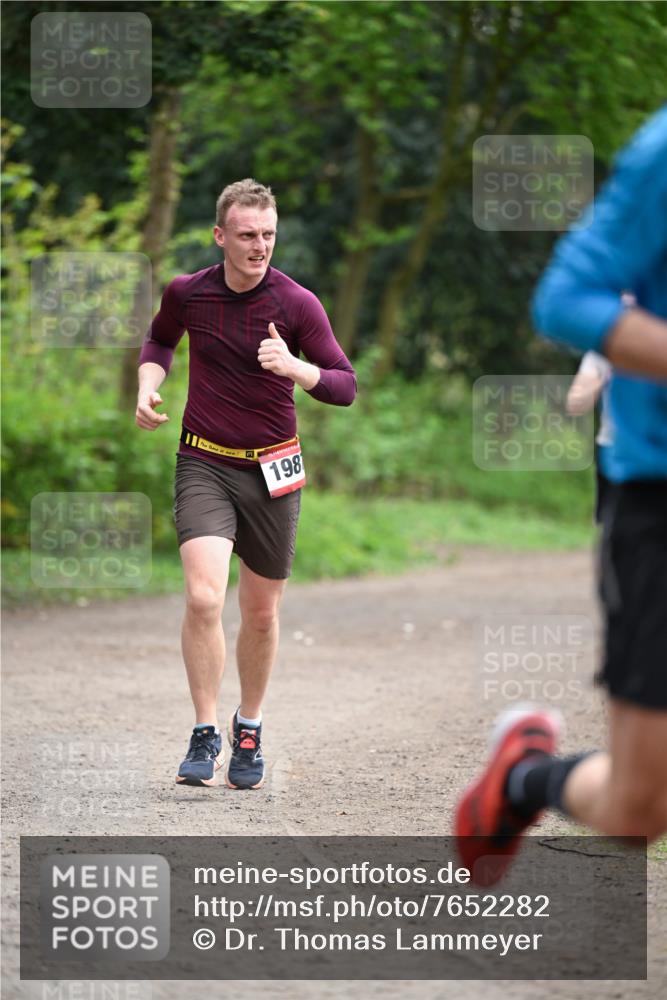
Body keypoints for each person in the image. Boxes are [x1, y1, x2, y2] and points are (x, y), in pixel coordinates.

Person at [455, 106, 667, 883]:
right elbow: (564, 298)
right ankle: (522, 776)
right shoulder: (662, 155)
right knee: (640, 809)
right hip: (656, 491)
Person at [135, 179, 356, 789]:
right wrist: (146, 383)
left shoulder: (297, 304)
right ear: (220, 236)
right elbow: (159, 338)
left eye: (268, 235)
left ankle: (248, 725)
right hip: (204, 460)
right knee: (205, 597)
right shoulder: (189, 293)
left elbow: (344, 383)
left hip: (275, 468)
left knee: (260, 613)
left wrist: (296, 369)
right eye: (247, 235)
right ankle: (205, 730)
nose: (260, 246)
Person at [566, 349, 613, 522]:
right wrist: (606, 378)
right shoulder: (602, 352)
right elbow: (575, 403)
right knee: (613, 527)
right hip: (616, 450)